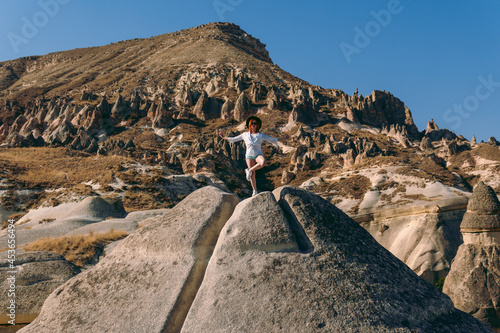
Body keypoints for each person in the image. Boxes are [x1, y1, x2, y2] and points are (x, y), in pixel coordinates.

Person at [219, 116, 279, 196]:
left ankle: (249, 170)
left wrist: (283, 138)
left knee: (263, 162)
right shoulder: (245, 134)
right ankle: (254, 191)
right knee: (253, 175)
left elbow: (272, 139)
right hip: (249, 155)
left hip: (258, 154)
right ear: (249, 125)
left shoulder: (261, 135)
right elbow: (233, 139)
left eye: (255, 123)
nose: (253, 125)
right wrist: (223, 137)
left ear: (257, 125)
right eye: (252, 123)